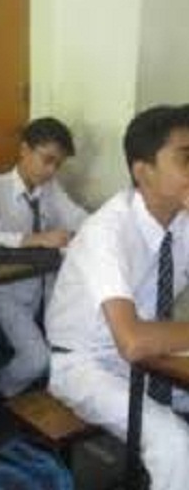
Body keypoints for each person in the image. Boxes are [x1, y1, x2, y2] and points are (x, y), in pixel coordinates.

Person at [47, 105, 189, 490]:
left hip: (150, 357)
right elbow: (133, 341)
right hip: (86, 364)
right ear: (143, 171)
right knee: (174, 443)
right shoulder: (107, 231)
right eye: (186, 158)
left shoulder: (182, 220)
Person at [0, 117, 88, 397]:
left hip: (46, 290)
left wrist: (101, 229)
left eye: (58, 164)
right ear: (24, 150)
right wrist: (35, 239)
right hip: (5, 292)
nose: (51, 170)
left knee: (74, 352)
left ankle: (23, 400)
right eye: (47, 160)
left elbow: (78, 218)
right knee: (38, 359)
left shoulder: (50, 189)